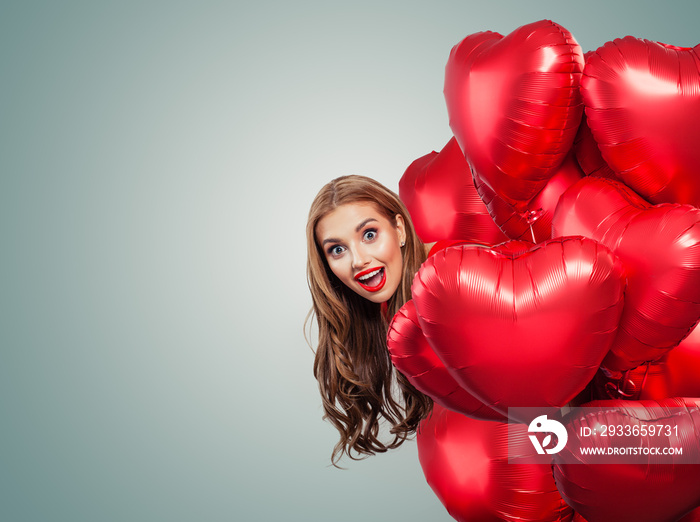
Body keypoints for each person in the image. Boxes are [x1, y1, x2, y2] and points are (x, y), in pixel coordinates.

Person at [306, 175, 436, 464]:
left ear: (399, 229)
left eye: (369, 234)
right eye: (337, 249)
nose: (358, 260)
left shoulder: (450, 275)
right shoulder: (392, 310)